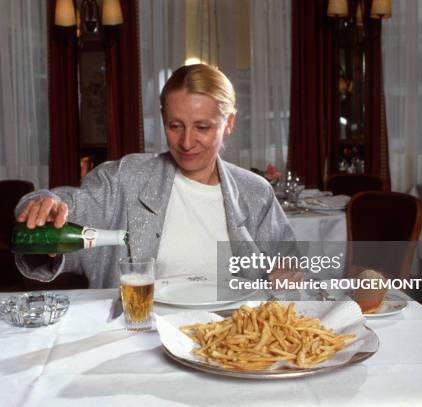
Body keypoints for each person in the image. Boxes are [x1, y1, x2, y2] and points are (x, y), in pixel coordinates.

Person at [15, 64, 296, 288]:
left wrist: (291, 275)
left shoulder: (255, 191)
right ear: (163, 119)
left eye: (202, 127)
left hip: (231, 343)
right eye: (175, 126)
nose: (186, 142)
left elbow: (290, 262)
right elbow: (62, 204)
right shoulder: (126, 178)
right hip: (137, 337)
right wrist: (42, 204)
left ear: (229, 123)